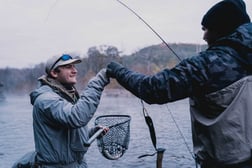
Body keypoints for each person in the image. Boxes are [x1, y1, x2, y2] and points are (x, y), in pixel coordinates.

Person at [106, 0, 252, 167]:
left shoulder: (208, 64)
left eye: (206, 29)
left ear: (221, 29)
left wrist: (116, 70)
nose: (204, 36)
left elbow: (152, 89)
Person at [28, 54, 109, 167]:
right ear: (54, 73)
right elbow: (76, 117)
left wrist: (91, 133)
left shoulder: (66, 96)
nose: (74, 71)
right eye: (68, 67)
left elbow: (67, 136)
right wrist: (98, 81)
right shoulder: (46, 99)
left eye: (74, 67)